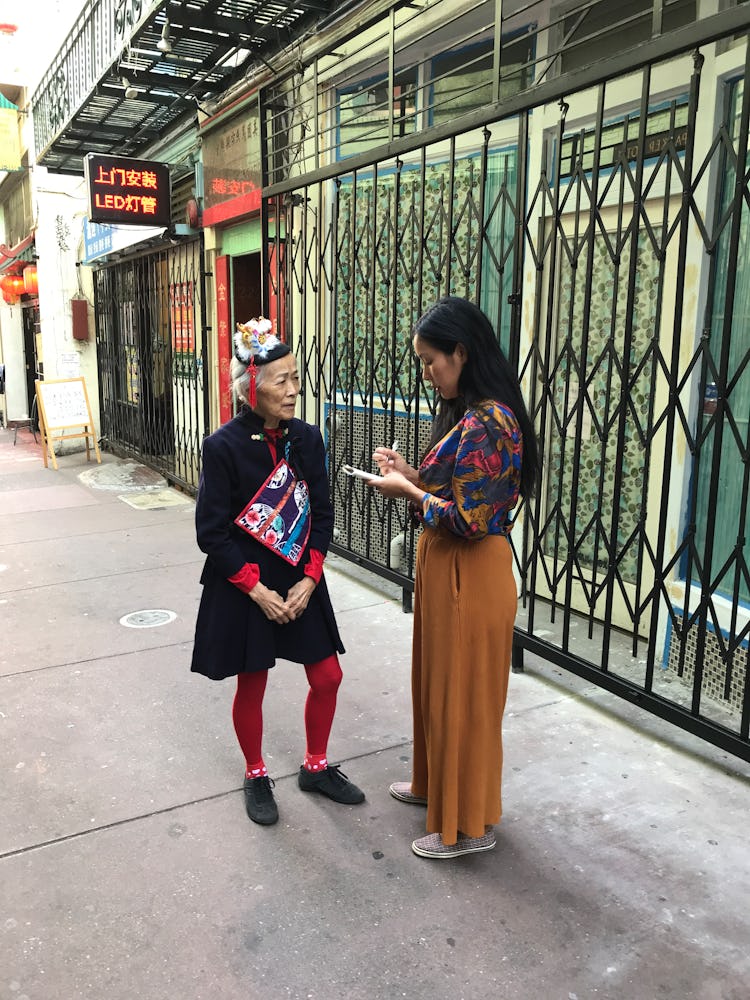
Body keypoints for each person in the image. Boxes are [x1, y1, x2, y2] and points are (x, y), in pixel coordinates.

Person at [369, 296, 538, 860]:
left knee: (465, 697)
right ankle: (435, 789)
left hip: (473, 570)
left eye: (430, 360)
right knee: (437, 686)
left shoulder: (493, 421)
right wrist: (407, 471)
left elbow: (470, 518)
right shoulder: (468, 413)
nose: (426, 372)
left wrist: (410, 491)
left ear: (461, 353)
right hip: (448, 572)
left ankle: (469, 825)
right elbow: (449, 490)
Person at [191, 316, 364, 826]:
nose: (293, 390)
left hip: (298, 577)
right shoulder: (222, 446)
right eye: (281, 380)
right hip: (248, 585)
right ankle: (256, 772)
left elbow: (323, 513)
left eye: (295, 378)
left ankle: (315, 766)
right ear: (252, 387)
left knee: (328, 675)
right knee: (253, 684)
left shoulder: (307, 440)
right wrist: (256, 590)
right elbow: (212, 533)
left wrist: (311, 577)